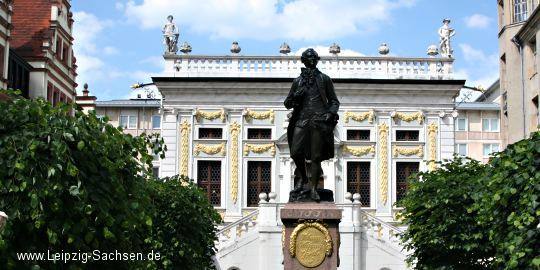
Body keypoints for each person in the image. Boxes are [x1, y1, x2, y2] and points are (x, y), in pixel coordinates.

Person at [284, 48, 340, 202]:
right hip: (301, 120)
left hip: (318, 121)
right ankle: (302, 177)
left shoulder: (324, 79)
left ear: (317, 60)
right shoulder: (298, 81)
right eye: (309, 57)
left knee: (316, 157)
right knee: (295, 152)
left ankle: (314, 189)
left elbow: (334, 101)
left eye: (314, 57)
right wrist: (297, 95)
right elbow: (287, 103)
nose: (312, 60)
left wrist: (330, 113)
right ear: (303, 60)